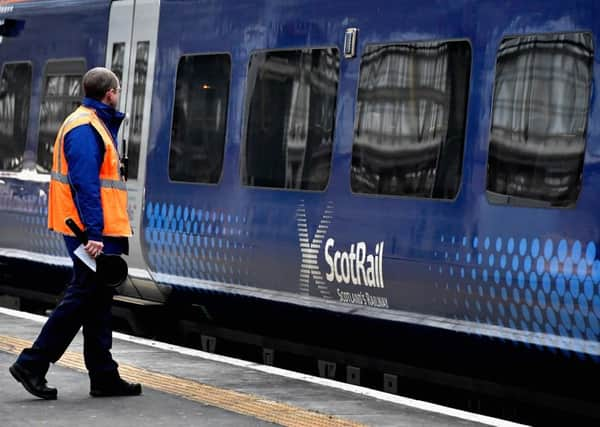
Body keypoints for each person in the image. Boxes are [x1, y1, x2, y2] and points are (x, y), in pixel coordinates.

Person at [9, 67, 141, 400]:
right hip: (87, 231)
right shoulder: (84, 128)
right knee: (83, 295)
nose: (119, 94)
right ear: (109, 93)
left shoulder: (90, 123)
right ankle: (32, 363)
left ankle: (103, 375)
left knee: (97, 298)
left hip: (93, 228)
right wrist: (94, 233)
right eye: (118, 90)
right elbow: (86, 187)